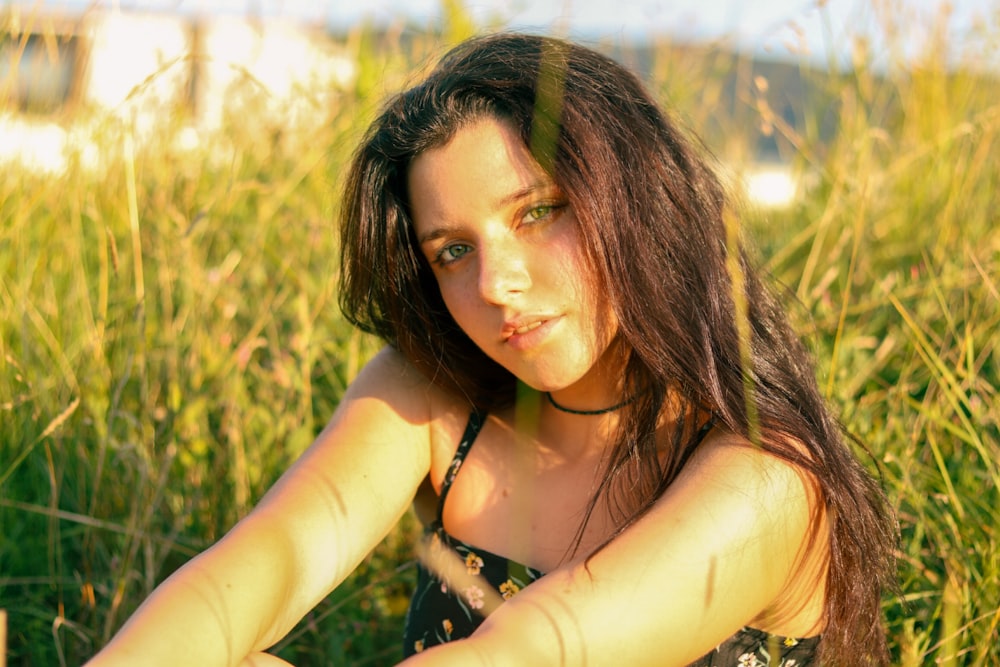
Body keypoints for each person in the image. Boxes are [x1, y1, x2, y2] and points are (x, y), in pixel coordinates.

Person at [87, 33, 897, 666]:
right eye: (452, 251)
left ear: (636, 198)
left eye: (537, 213)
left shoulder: (766, 476)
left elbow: (536, 650)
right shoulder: (437, 399)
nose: (497, 283)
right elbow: (266, 563)